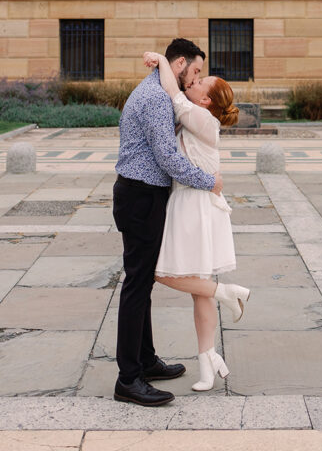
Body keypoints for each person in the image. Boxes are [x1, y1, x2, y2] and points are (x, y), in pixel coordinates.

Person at [113, 38, 224, 407]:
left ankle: (145, 360)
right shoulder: (157, 99)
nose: (194, 79)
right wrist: (210, 182)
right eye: (193, 71)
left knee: (142, 283)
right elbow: (166, 157)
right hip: (141, 196)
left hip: (143, 194)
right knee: (136, 286)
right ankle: (128, 378)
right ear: (178, 64)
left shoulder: (158, 92)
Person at [145, 50, 250, 391]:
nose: (194, 79)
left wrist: (162, 60)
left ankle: (228, 292)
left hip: (193, 205)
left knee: (162, 274)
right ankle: (208, 362)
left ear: (205, 99)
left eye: (201, 79)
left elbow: (172, 92)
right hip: (198, 203)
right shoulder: (199, 118)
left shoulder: (202, 118)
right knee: (199, 294)